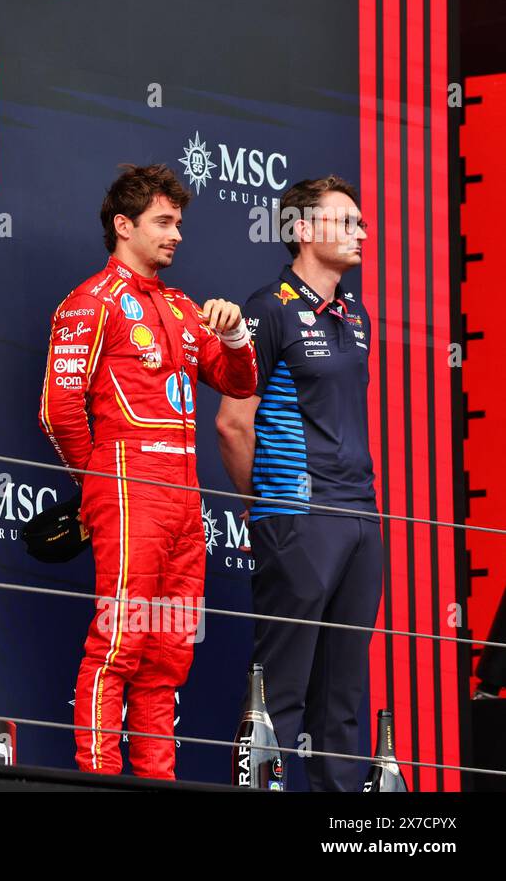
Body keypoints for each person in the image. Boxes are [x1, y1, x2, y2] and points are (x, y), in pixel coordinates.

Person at [40, 164, 257, 779]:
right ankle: (101, 775)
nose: (177, 235)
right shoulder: (92, 302)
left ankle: (157, 778)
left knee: (169, 654)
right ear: (122, 226)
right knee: (119, 644)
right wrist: (100, 485)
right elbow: (58, 411)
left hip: (186, 500)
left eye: (179, 223)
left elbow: (239, 381)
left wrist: (238, 334)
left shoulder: (188, 310)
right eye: (164, 222)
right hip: (129, 490)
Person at [215, 175, 382, 791]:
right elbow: (234, 422)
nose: (362, 232)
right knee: (280, 691)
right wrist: (272, 509)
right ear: (303, 231)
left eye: (362, 223)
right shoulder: (269, 307)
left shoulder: (356, 312)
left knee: (343, 695)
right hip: (300, 518)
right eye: (347, 222)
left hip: (362, 519)